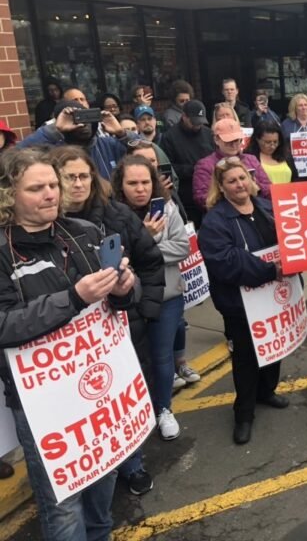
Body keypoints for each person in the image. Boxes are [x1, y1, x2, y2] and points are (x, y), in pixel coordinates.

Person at [0, 146, 135, 540]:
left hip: (98, 387)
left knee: (104, 475)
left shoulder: (84, 233)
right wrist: (74, 297)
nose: (50, 194)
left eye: (52, 185)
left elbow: (121, 303)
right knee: (63, 507)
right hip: (41, 400)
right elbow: (4, 324)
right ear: (10, 194)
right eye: (36, 188)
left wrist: (125, 288)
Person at [53, 145, 165, 496]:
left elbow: (150, 261)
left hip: (122, 329)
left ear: (94, 178)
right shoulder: (44, 228)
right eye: (68, 177)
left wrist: (145, 308)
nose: (77, 184)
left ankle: (133, 466)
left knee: (120, 403)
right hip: (72, 343)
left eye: (83, 176)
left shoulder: (118, 215)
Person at [198, 158, 290, 445]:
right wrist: (270, 270)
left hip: (274, 297)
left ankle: (267, 391)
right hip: (239, 304)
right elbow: (226, 261)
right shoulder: (215, 221)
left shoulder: (266, 208)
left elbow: (290, 238)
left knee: (275, 346)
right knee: (246, 358)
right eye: (232, 181)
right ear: (221, 188)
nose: (239, 184)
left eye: (243, 178)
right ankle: (244, 414)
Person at [111, 155, 189, 440]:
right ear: (121, 184)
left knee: (161, 357)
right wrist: (145, 236)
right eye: (132, 183)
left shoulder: (167, 208)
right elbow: (112, 258)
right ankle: (138, 413)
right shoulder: (110, 215)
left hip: (167, 297)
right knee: (133, 361)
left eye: (145, 182)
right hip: (126, 302)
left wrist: (147, 244)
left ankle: (163, 409)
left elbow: (182, 247)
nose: (140, 189)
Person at [18, 99, 136, 181]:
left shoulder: (107, 145)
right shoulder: (52, 150)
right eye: (78, 119)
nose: (84, 125)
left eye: (87, 118)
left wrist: (122, 133)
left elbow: (149, 151)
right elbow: (14, 156)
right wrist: (55, 130)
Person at [193, 118, 272, 211]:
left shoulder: (251, 159)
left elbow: (269, 189)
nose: (234, 144)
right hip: (224, 217)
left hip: (256, 211)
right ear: (216, 140)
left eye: (237, 140)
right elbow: (201, 198)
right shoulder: (205, 165)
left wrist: (254, 184)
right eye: (228, 141)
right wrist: (228, 193)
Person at [160, 99, 216, 227]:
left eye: (201, 122)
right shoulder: (170, 137)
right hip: (187, 196)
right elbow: (168, 168)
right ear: (184, 117)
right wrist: (195, 169)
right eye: (194, 122)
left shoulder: (208, 134)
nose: (198, 125)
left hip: (210, 193)